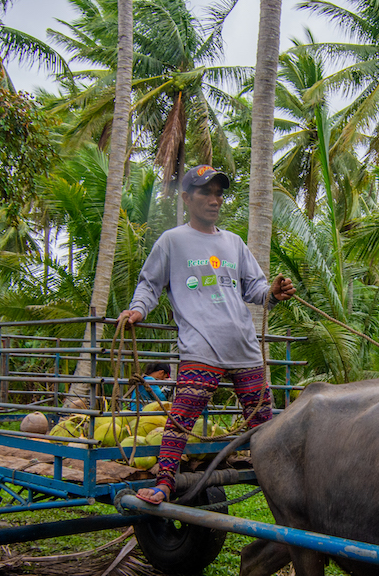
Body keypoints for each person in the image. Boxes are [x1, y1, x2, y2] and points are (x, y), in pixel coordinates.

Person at [120, 164, 295, 504]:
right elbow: (149, 284)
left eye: (218, 193)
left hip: (244, 345)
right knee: (182, 417)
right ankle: (164, 483)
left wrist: (273, 291)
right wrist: (137, 309)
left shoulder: (234, 242)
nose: (214, 199)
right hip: (201, 346)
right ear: (187, 198)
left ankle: (282, 485)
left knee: (262, 421)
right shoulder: (172, 241)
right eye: (205, 192)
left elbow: (256, 289)